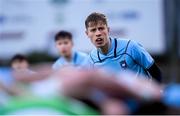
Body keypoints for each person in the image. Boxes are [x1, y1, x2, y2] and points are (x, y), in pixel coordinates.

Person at [84, 12, 162, 83]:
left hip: (142, 97)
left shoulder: (130, 47)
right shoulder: (91, 60)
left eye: (101, 28)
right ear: (87, 33)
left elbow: (155, 72)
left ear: (108, 30)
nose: (98, 33)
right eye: (93, 30)